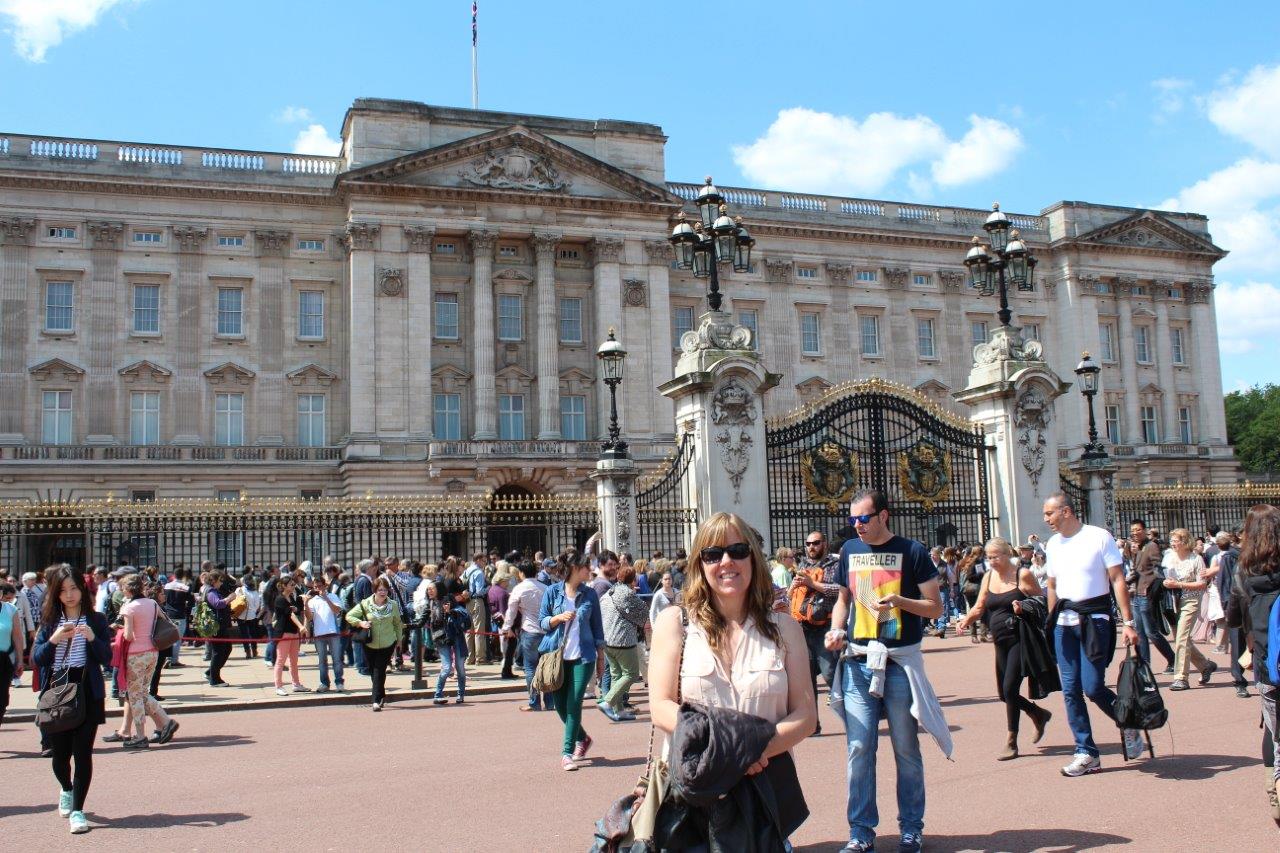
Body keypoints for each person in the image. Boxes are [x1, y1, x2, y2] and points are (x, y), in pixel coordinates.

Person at [647, 512, 815, 845]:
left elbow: (806, 716)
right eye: (713, 554)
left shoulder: (785, 628)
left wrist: (750, 752)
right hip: (694, 790)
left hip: (763, 791)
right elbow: (661, 707)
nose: (727, 561)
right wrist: (727, 754)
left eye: (738, 551)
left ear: (753, 557)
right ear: (700, 563)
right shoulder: (674, 623)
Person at [826, 491, 949, 853]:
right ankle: (861, 832)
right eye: (853, 520)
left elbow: (935, 608)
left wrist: (899, 601)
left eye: (863, 518)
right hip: (858, 661)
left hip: (898, 662)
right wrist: (837, 628)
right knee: (859, 747)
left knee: (905, 748)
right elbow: (844, 601)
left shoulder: (913, 552)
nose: (858, 526)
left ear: (884, 516)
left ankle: (911, 827)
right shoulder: (849, 550)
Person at [1042, 492, 1144, 776]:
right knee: (1070, 690)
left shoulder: (1099, 537)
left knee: (1093, 686)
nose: (1045, 519)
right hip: (1063, 622)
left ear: (1066, 511)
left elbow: (1117, 579)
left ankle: (1128, 720)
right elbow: (1052, 584)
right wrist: (1052, 620)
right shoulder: (1052, 544)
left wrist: (1129, 622)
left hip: (1095, 620)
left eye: (1049, 513)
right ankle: (1086, 751)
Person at [32, 564, 112, 834]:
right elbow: (37, 659)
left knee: (83, 754)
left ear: (82, 590)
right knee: (60, 755)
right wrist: (53, 640)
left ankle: (78, 810)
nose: (69, 595)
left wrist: (92, 639)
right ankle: (66, 788)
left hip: (87, 692)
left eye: (74, 589)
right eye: (64, 590)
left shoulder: (97, 620)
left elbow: (106, 658)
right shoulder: (49, 622)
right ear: (56, 594)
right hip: (57, 692)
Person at [957, 538, 1054, 759]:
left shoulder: (1023, 575)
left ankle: (1011, 741)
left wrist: (1023, 607)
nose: (990, 561)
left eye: (995, 557)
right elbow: (980, 605)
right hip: (1000, 642)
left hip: (1021, 639)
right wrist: (966, 620)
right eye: (988, 557)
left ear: (1006, 554)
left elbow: (1040, 601)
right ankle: (1037, 713)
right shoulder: (989, 576)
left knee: (1010, 688)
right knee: (1003, 693)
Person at [1224, 504, 1280, 827]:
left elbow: (1232, 616)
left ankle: (1275, 787)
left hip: (1266, 662)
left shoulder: (1244, 570)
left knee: (1273, 729)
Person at [538, 555, 606, 771]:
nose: (590, 571)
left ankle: (566, 753)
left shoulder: (590, 594)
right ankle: (583, 738)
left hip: (583, 656)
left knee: (574, 701)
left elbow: (597, 627)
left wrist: (601, 657)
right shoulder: (552, 592)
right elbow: (542, 622)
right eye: (587, 567)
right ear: (576, 568)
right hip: (556, 656)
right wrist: (557, 619)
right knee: (560, 705)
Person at [104, 573, 178, 749]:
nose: (122, 591)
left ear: (129, 589)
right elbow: (164, 620)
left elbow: (129, 635)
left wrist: (117, 635)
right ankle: (165, 722)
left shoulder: (129, 608)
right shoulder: (151, 603)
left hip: (135, 654)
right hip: (152, 652)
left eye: (123, 588)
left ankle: (141, 735)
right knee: (143, 693)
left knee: (135, 696)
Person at [792, 529, 841, 736]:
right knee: (807, 679)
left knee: (830, 673)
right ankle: (813, 725)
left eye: (816, 543)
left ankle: (857, 713)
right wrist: (793, 587)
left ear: (825, 544)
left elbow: (839, 590)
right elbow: (793, 595)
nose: (811, 547)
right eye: (809, 543)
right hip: (803, 627)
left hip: (824, 626)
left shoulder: (834, 564)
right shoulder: (803, 565)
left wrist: (812, 584)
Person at [1163, 527, 1218, 691]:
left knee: (1181, 638)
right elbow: (1163, 575)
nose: (1173, 543)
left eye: (1176, 540)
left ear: (1185, 542)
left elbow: (1202, 584)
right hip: (1174, 600)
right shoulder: (1169, 557)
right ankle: (1205, 665)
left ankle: (1181, 677)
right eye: (1172, 540)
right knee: (1183, 638)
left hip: (1191, 600)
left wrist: (1178, 584)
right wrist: (1166, 583)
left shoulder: (1196, 559)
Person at [599, 564, 648, 721]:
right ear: (633, 580)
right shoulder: (628, 594)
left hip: (607, 640)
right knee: (631, 674)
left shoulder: (609, 592)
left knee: (616, 675)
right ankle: (608, 701)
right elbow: (643, 614)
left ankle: (618, 711)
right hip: (623, 641)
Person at [347, 576, 403, 711]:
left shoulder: (393, 605)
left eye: (385, 590)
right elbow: (349, 616)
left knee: (379, 669)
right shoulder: (365, 604)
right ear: (375, 590)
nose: (383, 592)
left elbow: (397, 624)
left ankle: (375, 701)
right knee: (373, 670)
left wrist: (399, 640)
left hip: (388, 642)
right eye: (380, 590)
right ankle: (381, 693)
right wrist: (361, 623)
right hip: (370, 643)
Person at [1129, 519, 1176, 674]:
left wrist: (1149, 586)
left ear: (1144, 530)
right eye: (1133, 530)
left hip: (1146, 594)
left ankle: (1172, 659)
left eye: (1138, 530)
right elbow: (1136, 569)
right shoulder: (1137, 547)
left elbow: (1157, 568)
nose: (1135, 533)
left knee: (1151, 632)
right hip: (1136, 594)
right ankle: (1145, 664)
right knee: (1140, 632)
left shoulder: (1151, 546)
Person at [502, 560, 551, 712]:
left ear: (522, 573)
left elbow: (511, 611)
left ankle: (534, 701)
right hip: (546, 630)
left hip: (529, 630)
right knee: (547, 668)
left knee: (531, 668)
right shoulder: (546, 588)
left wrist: (506, 627)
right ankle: (550, 702)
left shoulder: (519, 588)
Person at [271, 576, 311, 696]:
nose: (294, 586)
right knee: (281, 661)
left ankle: (296, 684)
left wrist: (305, 602)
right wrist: (301, 627)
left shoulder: (292, 599)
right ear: (284, 586)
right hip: (283, 633)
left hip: (293, 633)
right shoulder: (280, 599)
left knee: (294, 661)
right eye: (291, 584)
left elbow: (301, 613)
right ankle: (278, 686)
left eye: (294, 584)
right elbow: (291, 615)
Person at [304, 575, 345, 693]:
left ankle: (339, 682)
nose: (318, 589)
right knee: (322, 661)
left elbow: (337, 611)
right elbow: (309, 617)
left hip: (333, 632)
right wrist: (306, 604)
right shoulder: (313, 601)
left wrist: (326, 598)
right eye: (315, 587)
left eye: (320, 586)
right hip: (319, 634)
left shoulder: (333, 596)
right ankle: (324, 683)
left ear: (325, 586)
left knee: (337, 659)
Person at [203, 570, 236, 687]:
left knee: (227, 648)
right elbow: (217, 604)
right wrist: (229, 598)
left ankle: (210, 672)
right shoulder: (210, 591)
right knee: (218, 652)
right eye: (220, 580)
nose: (221, 583)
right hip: (216, 627)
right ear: (213, 580)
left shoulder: (211, 589)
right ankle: (214, 679)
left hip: (220, 625)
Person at [0, 581, 26, 728]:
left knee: (2, 699)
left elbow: (17, 636)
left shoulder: (10, 609)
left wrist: (20, 660)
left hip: (5, 660)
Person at [161, 567, 193, 668]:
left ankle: (167, 658)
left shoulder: (167, 586)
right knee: (177, 639)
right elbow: (191, 601)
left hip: (169, 614)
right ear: (183, 576)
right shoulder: (185, 587)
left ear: (174, 575)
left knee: (169, 638)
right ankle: (173, 660)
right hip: (180, 615)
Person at [462, 552, 490, 666]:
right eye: (484, 561)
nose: (485, 563)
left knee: (469, 630)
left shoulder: (466, 571)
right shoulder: (479, 572)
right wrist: (488, 588)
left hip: (467, 601)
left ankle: (469, 657)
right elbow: (479, 591)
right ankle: (480, 658)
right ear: (478, 560)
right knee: (479, 630)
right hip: (477, 601)